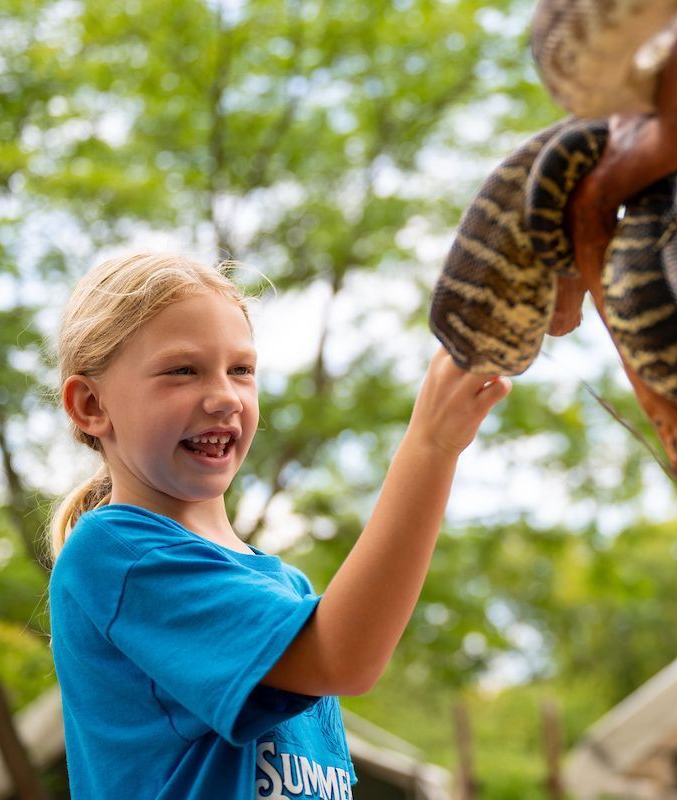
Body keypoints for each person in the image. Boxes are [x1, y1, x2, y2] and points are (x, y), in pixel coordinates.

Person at [47, 252, 510, 799]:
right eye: (182, 371)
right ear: (91, 404)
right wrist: (431, 446)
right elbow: (344, 657)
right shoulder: (114, 556)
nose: (224, 397)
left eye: (241, 369)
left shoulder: (287, 589)